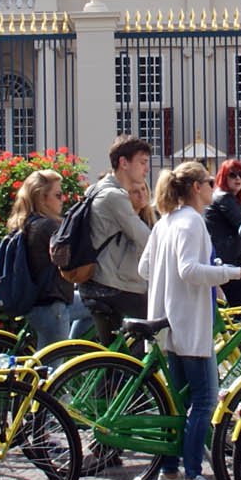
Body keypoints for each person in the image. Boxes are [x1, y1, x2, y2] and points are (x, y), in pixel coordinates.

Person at [140, 160, 241, 480]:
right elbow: (189, 270)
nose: (213, 186)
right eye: (209, 181)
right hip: (189, 323)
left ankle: (170, 473)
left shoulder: (166, 221)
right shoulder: (192, 221)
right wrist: (233, 273)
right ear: (196, 187)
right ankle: (193, 478)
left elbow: (145, 267)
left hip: (166, 322)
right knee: (205, 401)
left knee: (179, 404)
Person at [81, 136, 155, 345]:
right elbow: (147, 240)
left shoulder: (96, 188)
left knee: (118, 358)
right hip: (112, 285)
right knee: (152, 332)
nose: (146, 169)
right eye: (142, 162)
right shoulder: (114, 196)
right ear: (124, 163)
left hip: (96, 282)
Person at [9, 170, 77, 350]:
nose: (62, 199)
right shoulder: (48, 226)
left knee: (92, 304)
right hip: (52, 306)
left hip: (35, 304)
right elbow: (67, 260)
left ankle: (77, 353)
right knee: (51, 371)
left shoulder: (26, 223)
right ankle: (75, 359)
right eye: (58, 195)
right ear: (42, 198)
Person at [206, 159, 241, 310]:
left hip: (236, 260)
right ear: (223, 177)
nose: (238, 178)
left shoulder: (230, 199)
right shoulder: (224, 198)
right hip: (228, 262)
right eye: (232, 175)